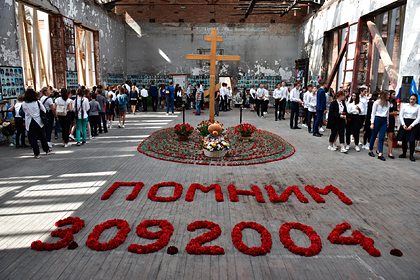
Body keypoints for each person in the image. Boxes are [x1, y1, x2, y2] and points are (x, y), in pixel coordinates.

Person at [22, 89, 51, 158]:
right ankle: (46, 150)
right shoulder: (37, 102)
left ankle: (37, 153)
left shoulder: (24, 103)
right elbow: (44, 110)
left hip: (30, 122)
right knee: (42, 136)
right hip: (38, 121)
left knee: (33, 138)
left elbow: (24, 111)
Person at [368, 91, 390, 161]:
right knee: (373, 136)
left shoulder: (388, 103)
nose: (389, 96)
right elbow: (373, 113)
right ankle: (370, 150)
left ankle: (380, 153)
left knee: (382, 137)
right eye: (388, 95)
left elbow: (388, 114)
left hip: (384, 120)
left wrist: (387, 122)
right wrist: (372, 123)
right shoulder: (376, 102)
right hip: (377, 119)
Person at [398, 94, 420, 161]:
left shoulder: (418, 107)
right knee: (404, 139)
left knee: (412, 140)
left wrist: (411, 125)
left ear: (416, 100)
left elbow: (419, 117)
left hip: (413, 123)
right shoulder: (405, 106)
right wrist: (403, 124)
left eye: (413, 99)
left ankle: (411, 155)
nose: (412, 100)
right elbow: (401, 115)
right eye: (411, 99)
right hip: (405, 122)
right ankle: (404, 153)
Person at [385, 90, 398, 159]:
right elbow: (385, 113)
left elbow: (396, 112)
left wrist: (391, 113)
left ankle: (390, 152)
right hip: (385, 120)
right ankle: (378, 150)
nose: (394, 96)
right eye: (393, 94)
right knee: (381, 135)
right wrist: (391, 113)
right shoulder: (385, 102)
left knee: (390, 136)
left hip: (391, 121)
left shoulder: (394, 103)